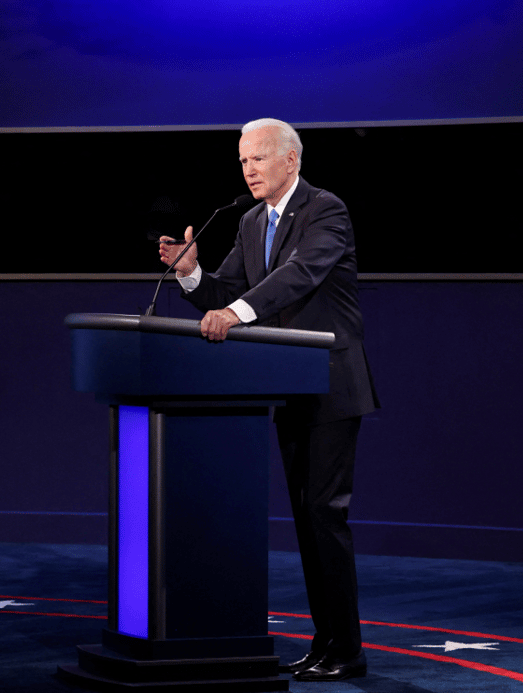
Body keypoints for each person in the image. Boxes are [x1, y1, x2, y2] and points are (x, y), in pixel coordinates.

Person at [158, 118, 377, 682]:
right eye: (242, 161)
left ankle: (348, 650)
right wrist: (192, 275)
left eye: (258, 158)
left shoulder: (326, 210)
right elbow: (230, 290)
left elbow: (299, 275)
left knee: (325, 516)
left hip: (332, 384)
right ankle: (325, 642)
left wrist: (234, 314)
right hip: (290, 386)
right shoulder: (252, 221)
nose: (248, 170)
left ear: (291, 160)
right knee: (306, 519)